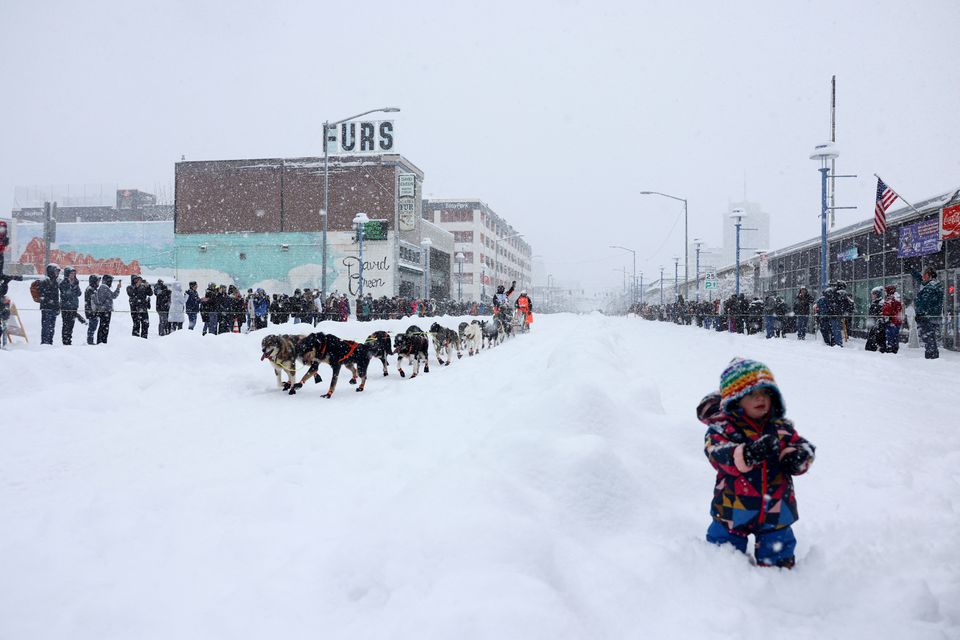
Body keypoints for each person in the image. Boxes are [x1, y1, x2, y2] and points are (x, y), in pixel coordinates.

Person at [698, 357, 815, 568]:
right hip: (732, 509)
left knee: (778, 562)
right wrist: (745, 454)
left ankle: (777, 586)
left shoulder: (781, 427)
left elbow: (803, 447)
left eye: (765, 392)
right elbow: (716, 453)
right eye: (751, 394)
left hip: (776, 511)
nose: (760, 398)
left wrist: (797, 458)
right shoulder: (723, 428)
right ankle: (720, 584)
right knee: (722, 558)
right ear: (735, 399)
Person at [912, 266, 943, 359]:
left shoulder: (930, 288)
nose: (923, 277)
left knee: (928, 338)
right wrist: (912, 271)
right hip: (933, 317)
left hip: (927, 317)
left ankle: (931, 357)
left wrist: (919, 313)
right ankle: (932, 355)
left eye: (925, 275)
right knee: (930, 337)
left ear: (929, 276)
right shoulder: (935, 285)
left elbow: (924, 303)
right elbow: (921, 280)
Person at [58, 266, 86, 345]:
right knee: (66, 325)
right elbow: (66, 294)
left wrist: (74, 287)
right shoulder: (63, 283)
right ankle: (65, 341)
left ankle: (69, 340)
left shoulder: (76, 282)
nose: (73, 275)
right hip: (65, 307)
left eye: (74, 273)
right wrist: (73, 289)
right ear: (67, 274)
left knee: (71, 325)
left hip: (74, 306)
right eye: (71, 273)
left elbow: (79, 293)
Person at [94, 275, 122, 344]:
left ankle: (101, 341)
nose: (111, 283)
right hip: (105, 311)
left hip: (104, 310)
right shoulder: (104, 287)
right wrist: (118, 288)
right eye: (110, 281)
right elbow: (113, 296)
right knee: (104, 326)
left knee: (103, 326)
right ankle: (102, 341)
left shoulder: (103, 287)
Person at [38, 263, 61, 345]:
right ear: (51, 271)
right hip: (46, 308)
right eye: (56, 271)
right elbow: (42, 295)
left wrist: (57, 307)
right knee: (46, 326)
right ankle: (44, 342)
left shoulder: (55, 282)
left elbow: (56, 296)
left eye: (58, 272)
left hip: (53, 308)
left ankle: (50, 342)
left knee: (52, 327)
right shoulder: (44, 281)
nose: (57, 273)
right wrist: (49, 300)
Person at [881, 284, 903, 354]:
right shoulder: (897, 298)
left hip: (891, 321)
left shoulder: (890, 299)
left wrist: (884, 314)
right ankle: (894, 347)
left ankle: (890, 348)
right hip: (896, 321)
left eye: (885, 291)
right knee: (895, 336)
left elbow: (887, 310)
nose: (885, 292)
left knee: (890, 336)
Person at [864, 286, 887, 353]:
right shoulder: (875, 303)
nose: (872, 295)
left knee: (878, 339)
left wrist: (877, 322)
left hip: (878, 325)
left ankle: (878, 350)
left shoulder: (881, 303)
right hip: (874, 324)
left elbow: (880, 315)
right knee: (874, 339)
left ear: (877, 295)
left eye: (873, 294)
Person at [84, 275, 100, 345]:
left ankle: (90, 339)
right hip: (91, 311)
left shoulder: (93, 289)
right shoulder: (90, 289)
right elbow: (93, 302)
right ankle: (90, 340)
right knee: (92, 326)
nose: (98, 282)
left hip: (93, 311)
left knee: (93, 325)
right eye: (97, 281)